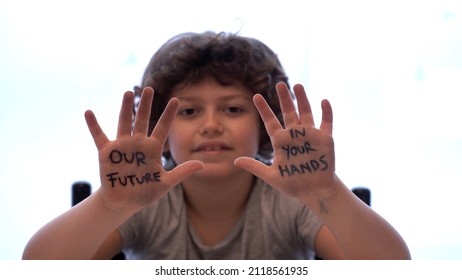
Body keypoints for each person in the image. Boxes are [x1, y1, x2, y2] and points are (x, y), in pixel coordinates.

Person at [22, 31, 411, 260]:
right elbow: (37, 265)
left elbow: (393, 268)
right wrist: (109, 204)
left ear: (265, 125)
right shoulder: (143, 198)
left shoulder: (291, 198)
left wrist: (329, 195)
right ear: (161, 130)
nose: (211, 125)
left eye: (232, 109)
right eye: (189, 112)